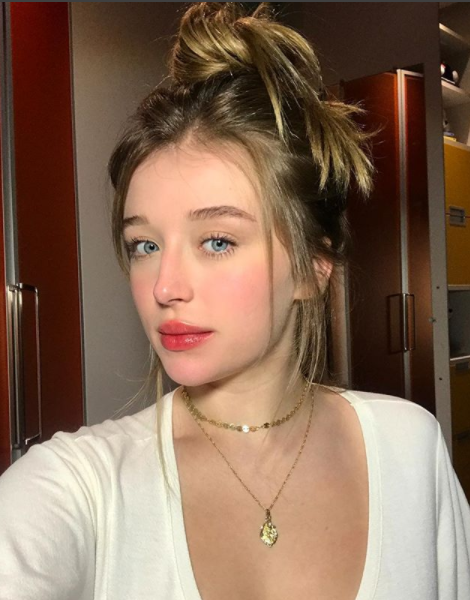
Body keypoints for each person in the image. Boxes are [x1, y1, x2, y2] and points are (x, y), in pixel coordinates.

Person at [1, 3, 469, 599]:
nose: (165, 286)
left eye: (217, 240)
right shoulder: (78, 486)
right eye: (145, 245)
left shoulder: (410, 447)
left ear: (314, 266)